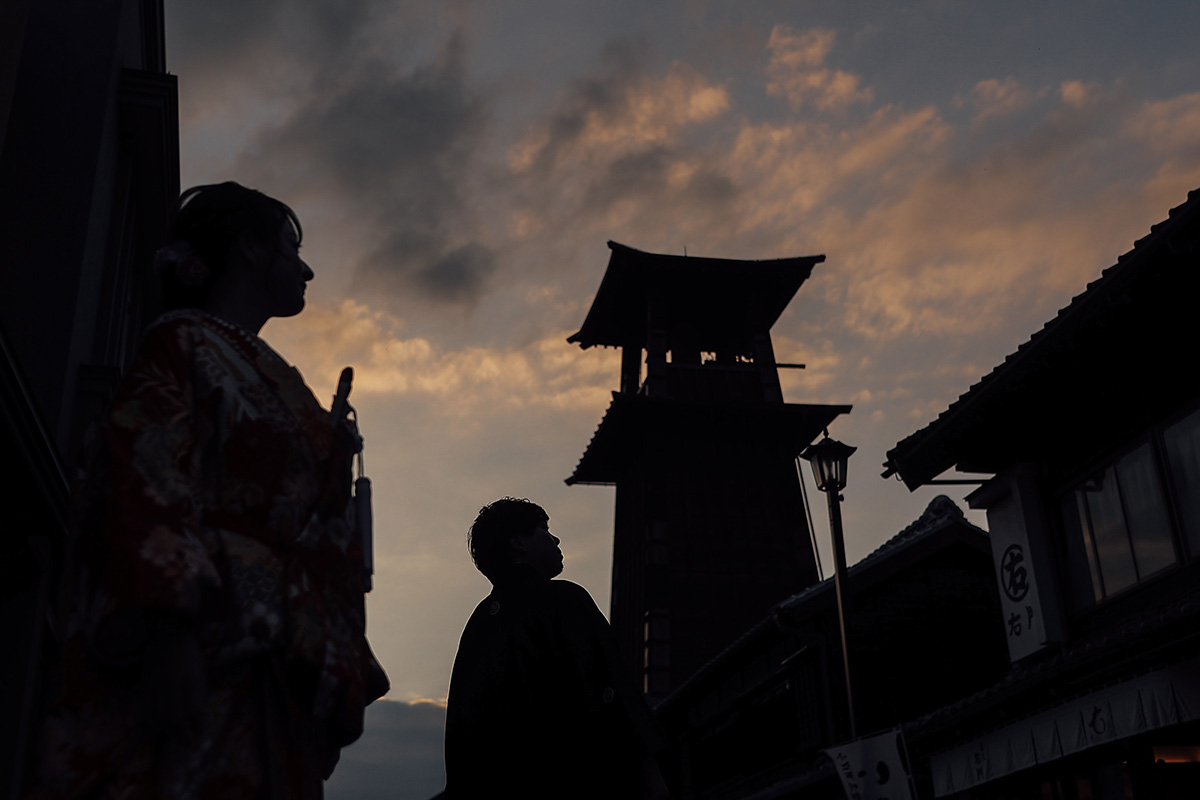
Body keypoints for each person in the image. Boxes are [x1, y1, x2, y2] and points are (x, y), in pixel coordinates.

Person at [27, 182, 387, 800]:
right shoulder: (181, 344)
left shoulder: (263, 368)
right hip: (209, 634)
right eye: (288, 247)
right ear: (248, 249)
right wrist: (171, 628)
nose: (304, 268)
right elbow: (149, 480)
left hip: (279, 649)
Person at [444, 498, 668, 799]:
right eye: (544, 529)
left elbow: (462, 730)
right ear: (518, 543)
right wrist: (650, 771)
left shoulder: (479, 626)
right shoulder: (564, 600)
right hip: (577, 778)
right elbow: (613, 687)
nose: (555, 538)